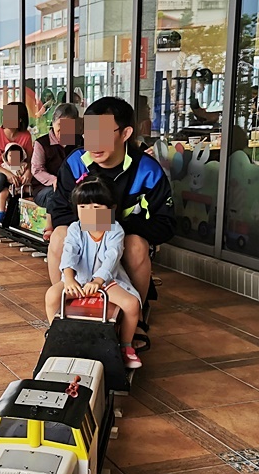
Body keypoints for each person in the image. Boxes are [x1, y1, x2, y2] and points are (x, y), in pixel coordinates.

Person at [45, 96, 175, 349]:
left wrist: (112, 229)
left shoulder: (147, 170)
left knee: (136, 244)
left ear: (125, 133)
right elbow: (61, 211)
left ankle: (133, 319)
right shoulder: (74, 163)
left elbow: (165, 225)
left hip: (122, 242)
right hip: (82, 244)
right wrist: (95, 228)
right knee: (60, 236)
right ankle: (65, 312)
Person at [45, 176, 142, 369]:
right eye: (83, 208)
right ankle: (55, 336)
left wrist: (98, 281)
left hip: (107, 281)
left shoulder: (115, 230)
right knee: (52, 296)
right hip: (78, 278)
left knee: (131, 305)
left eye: (97, 209)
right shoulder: (75, 228)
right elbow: (69, 253)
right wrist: (70, 279)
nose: (90, 214)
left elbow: (111, 258)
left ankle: (126, 346)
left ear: (111, 209)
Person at [0, 101, 34, 223]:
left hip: (16, 175)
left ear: (20, 119)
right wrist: (7, 173)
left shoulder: (25, 136)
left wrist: (28, 172)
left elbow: (30, 160)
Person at [31, 104, 82, 209]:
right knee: (56, 195)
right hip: (45, 189)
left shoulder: (79, 142)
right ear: (53, 123)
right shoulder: (42, 143)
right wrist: (54, 180)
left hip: (73, 187)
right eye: (60, 125)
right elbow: (37, 169)